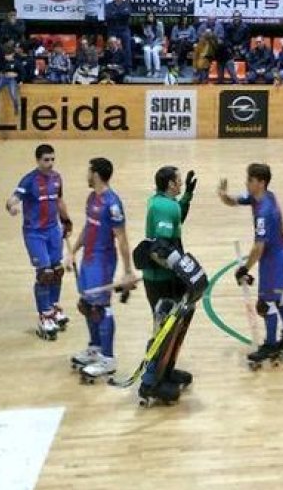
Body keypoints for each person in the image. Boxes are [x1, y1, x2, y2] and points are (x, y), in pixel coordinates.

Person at [218, 164, 283, 367]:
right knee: (279, 297)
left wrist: (245, 269)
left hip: (273, 259)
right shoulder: (263, 196)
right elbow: (234, 201)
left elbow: (258, 247)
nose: (246, 183)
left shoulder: (265, 211)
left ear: (261, 182)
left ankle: (270, 345)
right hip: (278, 254)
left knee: (264, 303)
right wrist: (223, 195)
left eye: (250, 180)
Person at [68, 157, 136, 381]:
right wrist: (72, 252)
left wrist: (128, 271)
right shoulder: (92, 198)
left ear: (96, 174)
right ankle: (95, 348)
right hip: (88, 259)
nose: (86, 175)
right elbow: (88, 227)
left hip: (102, 261)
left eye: (88, 171)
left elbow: (122, 239)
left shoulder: (112, 203)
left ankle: (108, 359)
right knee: (87, 305)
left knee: (101, 308)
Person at [137, 166, 199, 398]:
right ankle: (150, 382)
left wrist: (188, 196)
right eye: (180, 181)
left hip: (162, 278)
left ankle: (165, 372)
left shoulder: (163, 202)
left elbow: (176, 217)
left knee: (173, 327)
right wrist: (183, 270)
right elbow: (161, 247)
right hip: (161, 279)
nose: (181, 183)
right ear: (171, 184)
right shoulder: (165, 206)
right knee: (163, 328)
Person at [7, 144, 75, 340]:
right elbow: (13, 198)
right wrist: (11, 207)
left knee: (56, 270)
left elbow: (59, 201)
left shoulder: (57, 178)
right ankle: (44, 315)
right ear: (38, 160)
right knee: (44, 273)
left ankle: (53, 307)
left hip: (54, 230)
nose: (50, 163)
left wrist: (66, 220)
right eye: (46, 160)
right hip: (34, 233)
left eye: (53, 159)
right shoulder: (29, 180)